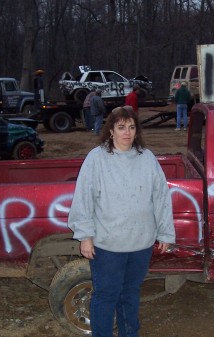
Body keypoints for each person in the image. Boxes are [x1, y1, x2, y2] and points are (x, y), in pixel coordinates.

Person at [67, 105, 175, 337]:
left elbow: (161, 197)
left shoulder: (146, 158)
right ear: (111, 131)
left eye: (132, 127)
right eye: (121, 127)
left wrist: (166, 233)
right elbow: (84, 197)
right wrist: (85, 236)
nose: (127, 132)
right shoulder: (97, 158)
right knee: (106, 295)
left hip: (140, 244)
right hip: (108, 245)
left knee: (130, 293)